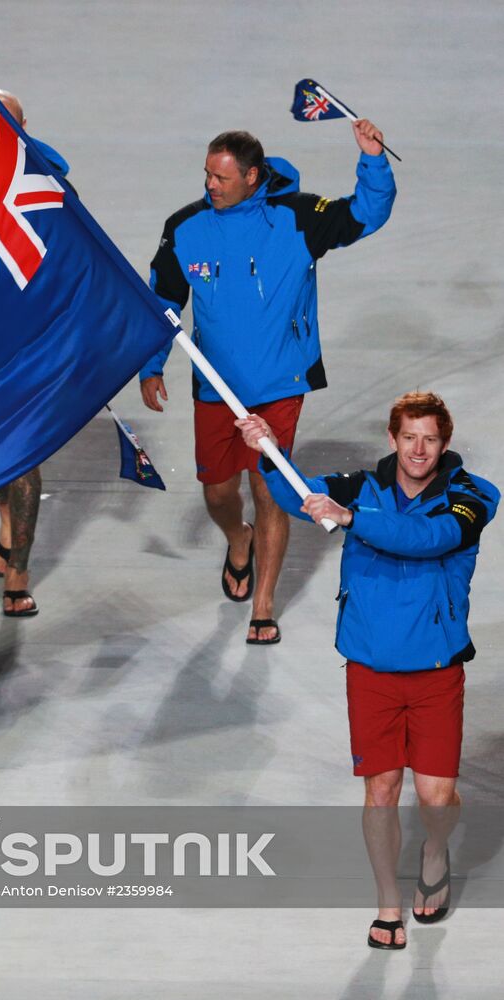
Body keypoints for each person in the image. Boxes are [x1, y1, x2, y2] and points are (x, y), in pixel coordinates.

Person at [237, 392, 499, 949]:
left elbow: (432, 540)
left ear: (444, 442)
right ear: (393, 439)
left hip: (434, 671)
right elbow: (295, 493)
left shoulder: (472, 496)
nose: (419, 449)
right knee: (380, 790)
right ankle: (387, 906)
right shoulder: (361, 485)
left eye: (430, 438)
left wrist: (352, 518)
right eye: (409, 438)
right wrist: (268, 449)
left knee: (435, 801)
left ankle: (434, 850)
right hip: (370, 669)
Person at [140, 122, 396, 643]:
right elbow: (162, 302)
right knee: (217, 494)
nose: (210, 185)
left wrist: (373, 159)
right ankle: (239, 540)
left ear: (252, 177)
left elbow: (367, 213)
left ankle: (264, 604)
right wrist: (151, 364)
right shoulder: (185, 227)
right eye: (207, 175)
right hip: (215, 387)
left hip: (279, 382)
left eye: (222, 177)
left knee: (270, 490)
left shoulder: (298, 218)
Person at [0, 89, 72, 617]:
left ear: (22, 127)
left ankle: (18, 571)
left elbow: (68, 264)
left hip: (25, 348)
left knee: (19, 459)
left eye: (6, 122)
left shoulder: (47, 186)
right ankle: (6, 531)